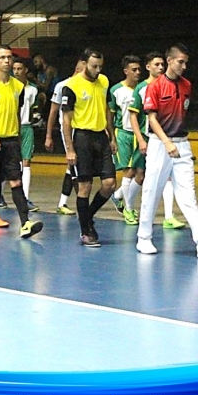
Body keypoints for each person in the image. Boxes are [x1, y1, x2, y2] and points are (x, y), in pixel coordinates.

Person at [136, 44, 198, 257]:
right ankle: (144, 237)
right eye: (180, 62)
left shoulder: (186, 85)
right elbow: (152, 119)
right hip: (160, 144)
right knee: (152, 191)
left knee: (188, 196)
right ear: (169, 61)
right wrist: (167, 143)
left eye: (186, 62)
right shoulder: (154, 86)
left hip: (182, 143)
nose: (184, 66)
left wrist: (179, 145)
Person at [0, 44, 43, 239]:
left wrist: (18, 137)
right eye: (2, 57)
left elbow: (16, 112)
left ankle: (25, 223)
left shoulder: (18, 87)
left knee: (15, 181)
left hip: (12, 142)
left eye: (9, 57)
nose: (7, 60)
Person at [61, 48, 117, 247]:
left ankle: (86, 215)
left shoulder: (104, 81)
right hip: (81, 137)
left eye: (101, 66)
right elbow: (66, 120)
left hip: (101, 137)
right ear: (84, 63)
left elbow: (106, 110)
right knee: (84, 187)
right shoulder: (71, 86)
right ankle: (86, 231)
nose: (98, 70)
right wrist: (70, 149)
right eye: (94, 66)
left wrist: (112, 136)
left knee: (110, 183)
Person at [128, 51, 186, 230]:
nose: (160, 68)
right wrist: (141, 139)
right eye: (156, 65)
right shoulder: (142, 88)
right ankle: (127, 206)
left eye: (162, 64)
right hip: (148, 138)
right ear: (148, 67)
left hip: (165, 138)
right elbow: (133, 116)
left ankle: (169, 216)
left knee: (168, 177)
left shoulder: (173, 85)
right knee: (139, 174)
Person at [44, 60, 85, 215]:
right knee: (75, 165)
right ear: (78, 69)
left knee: (72, 166)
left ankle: (62, 203)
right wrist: (48, 135)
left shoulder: (86, 84)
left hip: (82, 129)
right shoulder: (63, 85)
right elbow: (53, 111)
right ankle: (82, 201)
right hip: (68, 129)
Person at [109, 55, 143, 225]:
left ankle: (118, 195)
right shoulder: (116, 90)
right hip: (123, 134)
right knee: (129, 171)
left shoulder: (144, 89)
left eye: (139, 69)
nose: (137, 72)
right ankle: (129, 209)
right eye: (134, 70)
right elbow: (110, 114)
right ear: (126, 71)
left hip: (140, 135)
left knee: (141, 174)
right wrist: (112, 138)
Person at [12, 57, 40, 212]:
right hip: (10, 129)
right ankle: (0, 194)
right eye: (14, 69)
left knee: (26, 161)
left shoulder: (33, 89)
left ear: (26, 70)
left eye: (19, 69)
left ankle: (25, 198)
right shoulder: (9, 87)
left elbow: (34, 109)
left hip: (26, 127)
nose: (16, 72)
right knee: (8, 163)